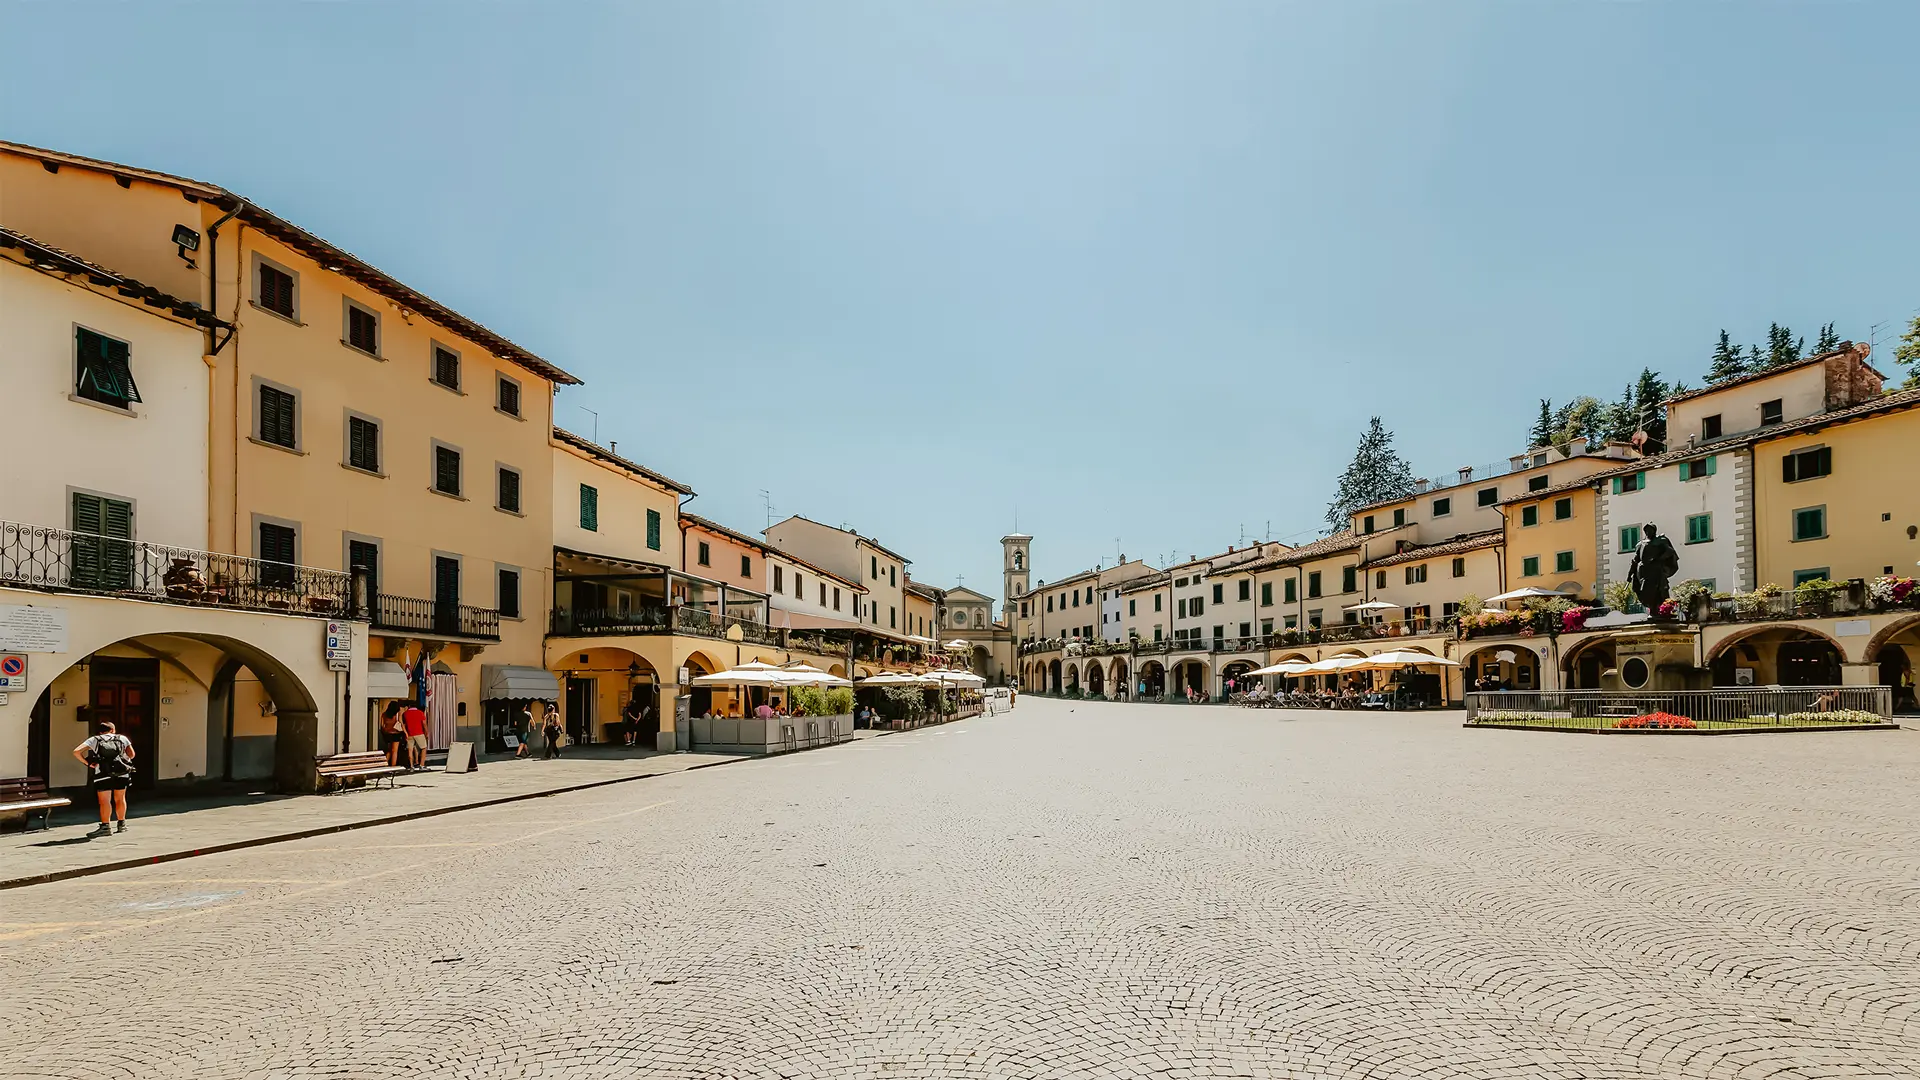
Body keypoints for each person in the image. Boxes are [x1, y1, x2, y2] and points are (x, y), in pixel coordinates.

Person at [72, 720, 134, 836]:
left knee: (104, 801)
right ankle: (122, 824)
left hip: (102, 774)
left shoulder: (94, 739)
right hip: (121, 773)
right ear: (112, 730)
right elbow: (132, 754)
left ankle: (105, 827)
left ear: (100, 731)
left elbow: (76, 752)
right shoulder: (122, 738)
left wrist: (88, 763)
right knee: (120, 798)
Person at [401, 701, 429, 771]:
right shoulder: (420, 713)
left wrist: (406, 733)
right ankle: (422, 765)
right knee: (424, 748)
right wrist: (426, 733)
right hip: (419, 733)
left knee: (410, 750)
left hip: (410, 734)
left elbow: (403, 725)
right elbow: (424, 724)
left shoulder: (405, 714)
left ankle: (411, 766)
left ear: (409, 706)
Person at [379, 702, 406, 767]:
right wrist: (405, 732)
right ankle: (393, 766)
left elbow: (382, 725)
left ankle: (385, 764)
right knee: (394, 751)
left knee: (389, 750)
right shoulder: (397, 714)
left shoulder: (384, 714)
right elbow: (401, 723)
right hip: (396, 734)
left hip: (387, 734)